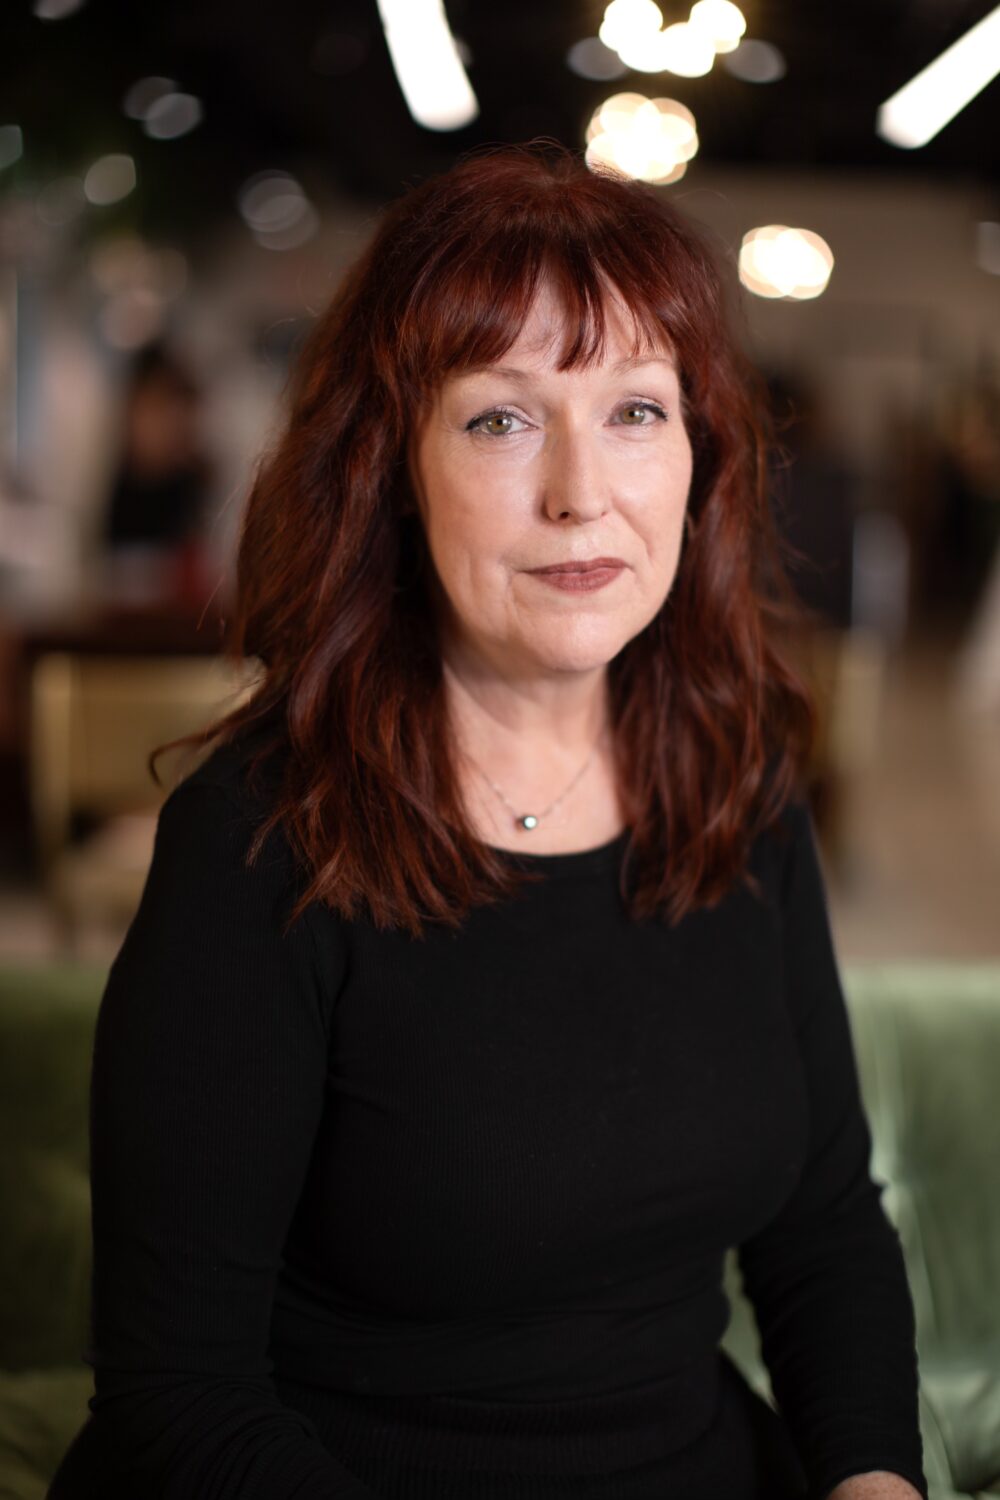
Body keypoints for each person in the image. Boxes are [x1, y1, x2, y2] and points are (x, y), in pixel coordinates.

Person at [47, 142, 928, 1500]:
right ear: (391, 469)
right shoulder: (262, 839)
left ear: (701, 461)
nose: (583, 492)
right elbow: (183, 1397)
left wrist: (874, 1481)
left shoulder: (737, 788)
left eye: (637, 410)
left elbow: (823, 1230)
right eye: (501, 418)